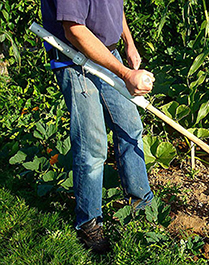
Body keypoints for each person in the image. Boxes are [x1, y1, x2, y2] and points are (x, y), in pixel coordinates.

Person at [40, 0, 155, 253]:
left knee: (130, 127)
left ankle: (141, 204)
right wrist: (125, 74)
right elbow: (75, 30)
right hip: (74, 59)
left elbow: (115, 7)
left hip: (108, 55)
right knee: (92, 146)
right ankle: (88, 221)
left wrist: (129, 43)